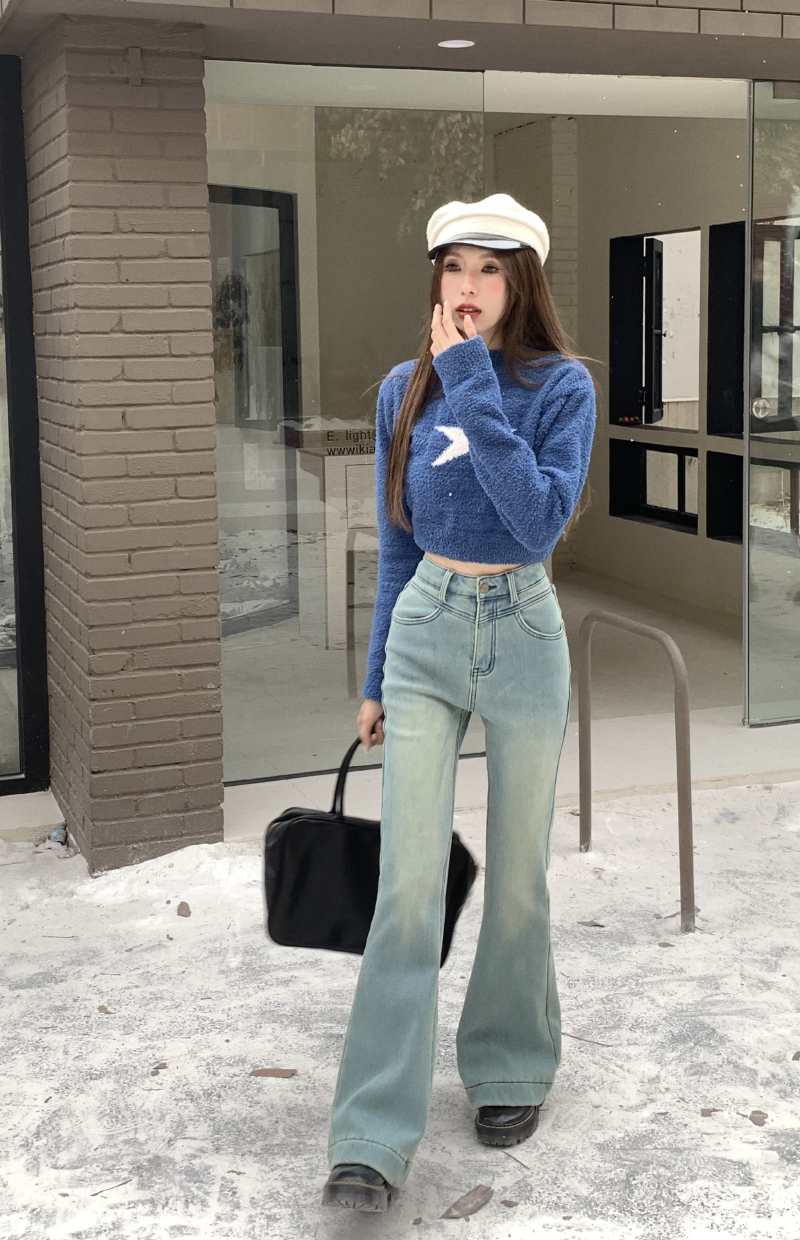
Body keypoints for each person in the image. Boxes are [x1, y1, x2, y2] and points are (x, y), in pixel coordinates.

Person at [322, 193, 597, 1212]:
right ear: (435, 278)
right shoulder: (403, 389)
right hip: (427, 626)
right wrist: (373, 678)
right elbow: (397, 541)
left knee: (518, 873)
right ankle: (369, 1134)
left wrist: (475, 384)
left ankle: (510, 1062)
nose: (468, 287)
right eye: (453, 267)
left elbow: (536, 523)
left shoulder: (562, 387)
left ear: (522, 284)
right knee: (406, 885)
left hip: (523, 628)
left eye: (489, 270)